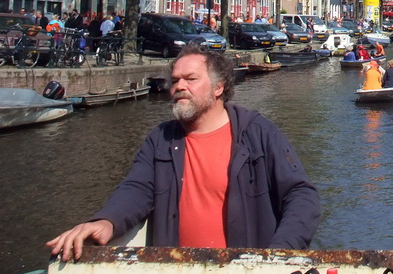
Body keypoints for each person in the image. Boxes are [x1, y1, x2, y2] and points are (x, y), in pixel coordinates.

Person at [46, 46, 320, 260]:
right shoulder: (161, 139)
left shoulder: (258, 133)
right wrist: (107, 221)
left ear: (218, 87)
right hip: (178, 270)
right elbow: (136, 189)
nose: (179, 86)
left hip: (245, 272)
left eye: (190, 79)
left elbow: (301, 195)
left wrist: (280, 252)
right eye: (175, 80)